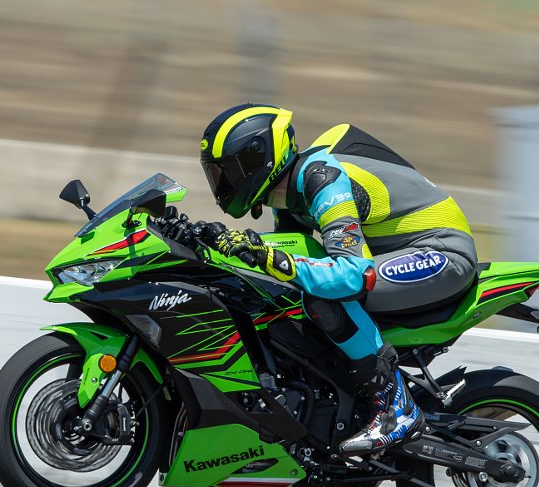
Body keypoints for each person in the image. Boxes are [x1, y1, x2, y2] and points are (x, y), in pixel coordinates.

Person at [197, 103, 477, 456]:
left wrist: (273, 259)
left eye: (231, 170)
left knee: (323, 295)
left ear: (262, 158)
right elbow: (295, 258)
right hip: (394, 252)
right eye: (217, 174)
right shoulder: (287, 198)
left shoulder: (322, 180)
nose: (224, 183)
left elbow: (350, 273)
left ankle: (397, 407)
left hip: (440, 253)